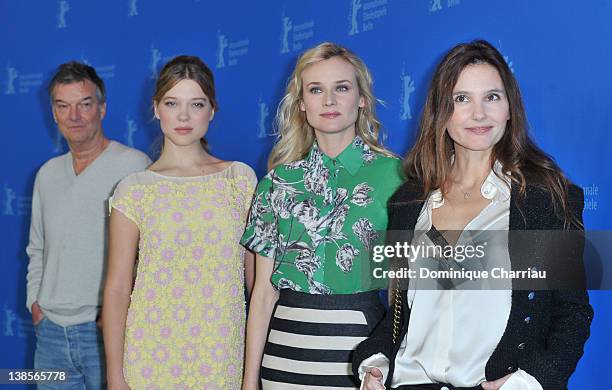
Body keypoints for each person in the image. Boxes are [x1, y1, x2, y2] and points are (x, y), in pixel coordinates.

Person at [354, 40, 593, 390]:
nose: (478, 114)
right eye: (461, 99)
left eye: (492, 97)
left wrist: (532, 381)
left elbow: (572, 313)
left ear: (510, 108)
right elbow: (405, 311)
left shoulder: (547, 198)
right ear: (441, 111)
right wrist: (376, 361)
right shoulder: (407, 203)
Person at [240, 42, 404, 390]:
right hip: (282, 360)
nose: (329, 100)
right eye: (316, 90)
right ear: (302, 104)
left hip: (363, 360)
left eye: (341, 88)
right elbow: (263, 294)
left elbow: (401, 291)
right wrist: (249, 382)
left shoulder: (397, 177)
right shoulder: (276, 184)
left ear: (361, 99)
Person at [102, 55, 256, 389]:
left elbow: (257, 287)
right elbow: (116, 289)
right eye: (172, 103)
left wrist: (252, 374)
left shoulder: (240, 180)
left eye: (196, 104)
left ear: (211, 110)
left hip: (221, 354)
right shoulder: (134, 190)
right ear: (156, 109)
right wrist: (115, 377)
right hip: (149, 356)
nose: (183, 116)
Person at [26, 61, 151, 389]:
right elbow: (36, 248)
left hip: (104, 330)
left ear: (102, 108)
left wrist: (119, 315)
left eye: (84, 104)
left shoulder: (134, 167)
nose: (74, 116)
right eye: (63, 106)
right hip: (50, 333)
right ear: (53, 113)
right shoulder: (47, 175)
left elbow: (152, 253)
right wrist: (35, 304)